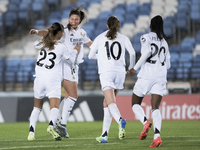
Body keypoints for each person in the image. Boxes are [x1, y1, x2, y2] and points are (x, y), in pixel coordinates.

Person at [29, 6, 92, 138]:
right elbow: (48, 33)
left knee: (69, 97)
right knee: (73, 96)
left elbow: (91, 44)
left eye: (76, 19)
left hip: (74, 65)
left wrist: (101, 49)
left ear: (80, 21)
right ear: (69, 18)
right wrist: (36, 32)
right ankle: (61, 124)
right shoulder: (63, 30)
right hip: (67, 64)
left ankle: (58, 122)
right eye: (72, 18)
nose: (73, 21)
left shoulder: (82, 33)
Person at [27, 22, 80, 141]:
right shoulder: (61, 47)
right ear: (60, 32)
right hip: (52, 79)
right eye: (62, 32)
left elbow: (44, 37)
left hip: (39, 79)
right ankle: (51, 126)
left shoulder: (40, 43)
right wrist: (76, 50)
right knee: (54, 106)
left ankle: (31, 133)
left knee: (37, 107)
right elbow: (71, 61)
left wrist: (36, 32)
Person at [88, 16, 136, 143]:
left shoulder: (100, 37)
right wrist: (131, 67)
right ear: (118, 26)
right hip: (120, 73)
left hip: (107, 72)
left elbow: (90, 55)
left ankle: (120, 120)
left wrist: (101, 56)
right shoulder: (124, 38)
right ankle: (104, 135)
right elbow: (132, 53)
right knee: (107, 103)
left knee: (110, 102)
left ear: (107, 25)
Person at [127, 15, 172, 147]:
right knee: (155, 107)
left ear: (151, 25)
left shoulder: (145, 37)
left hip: (147, 74)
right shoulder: (164, 42)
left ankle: (146, 122)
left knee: (135, 103)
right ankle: (157, 137)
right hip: (161, 74)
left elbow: (146, 53)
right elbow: (168, 64)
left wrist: (134, 68)